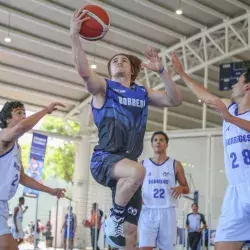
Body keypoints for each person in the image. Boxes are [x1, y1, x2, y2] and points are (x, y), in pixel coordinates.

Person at [70, 8, 183, 249]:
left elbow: (175, 100)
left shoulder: (142, 92)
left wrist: (163, 71)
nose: (119, 61)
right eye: (114, 61)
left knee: (130, 232)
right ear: (109, 71)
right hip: (105, 160)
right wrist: (75, 37)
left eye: (124, 60)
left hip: (128, 165)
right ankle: (114, 218)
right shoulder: (105, 87)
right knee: (139, 173)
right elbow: (83, 72)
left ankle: (117, 221)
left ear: (132, 70)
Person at [172, 53, 250, 250]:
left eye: (238, 81)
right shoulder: (230, 109)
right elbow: (205, 96)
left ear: (247, 86)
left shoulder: (230, 115)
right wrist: (182, 73)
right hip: (235, 191)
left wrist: (229, 119)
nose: (233, 85)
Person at [0, 100, 66, 250]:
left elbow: (23, 178)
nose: (23, 116)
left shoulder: (16, 148)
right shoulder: (3, 136)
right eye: (19, 113)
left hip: (2, 205)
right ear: (7, 119)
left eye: (24, 113)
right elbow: (21, 127)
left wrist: (50, 190)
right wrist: (46, 110)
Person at [138, 131, 190, 250]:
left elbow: (187, 188)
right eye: (155, 140)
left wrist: (181, 188)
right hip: (148, 211)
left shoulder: (175, 164)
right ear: (152, 144)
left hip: (167, 211)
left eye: (161, 140)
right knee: (144, 247)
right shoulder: (143, 164)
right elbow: (135, 187)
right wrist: (137, 198)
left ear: (166, 144)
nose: (158, 142)